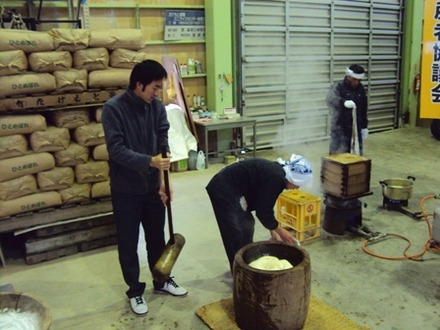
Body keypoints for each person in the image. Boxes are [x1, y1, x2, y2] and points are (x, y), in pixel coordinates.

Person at [102, 59, 187, 317]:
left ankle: (161, 281)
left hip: (151, 188)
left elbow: (163, 138)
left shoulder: (157, 107)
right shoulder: (113, 109)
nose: (158, 92)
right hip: (125, 190)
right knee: (128, 243)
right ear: (139, 84)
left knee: (156, 239)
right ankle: (135, 291)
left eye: (160, 88)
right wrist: (149, 161)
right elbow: (116, 150)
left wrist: (163, 181)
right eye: (155, 87)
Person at [205, 154, 313, 271]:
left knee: (247, 224)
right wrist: (280, 231)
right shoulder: (276, 178)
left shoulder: (279, 174)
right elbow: (263, 211)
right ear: (294, 178)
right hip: (223, 188)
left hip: (235, 188)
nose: (297, 188)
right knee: (236, 232)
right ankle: (238, 272)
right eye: (298, 184)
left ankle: (247, 264)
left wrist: (273, 229)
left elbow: (263, 202)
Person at [326, 64, 368, 156]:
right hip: (339, 128)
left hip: (355, 129)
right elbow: (330, 99)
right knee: (337, 156)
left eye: (359, 80)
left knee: (355, 155)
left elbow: (363, 108)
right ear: (348, 76)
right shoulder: (339, 86)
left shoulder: (361, 89)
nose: (356, 82)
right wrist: (343, 102)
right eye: (354, 80)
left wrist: (364, 126)